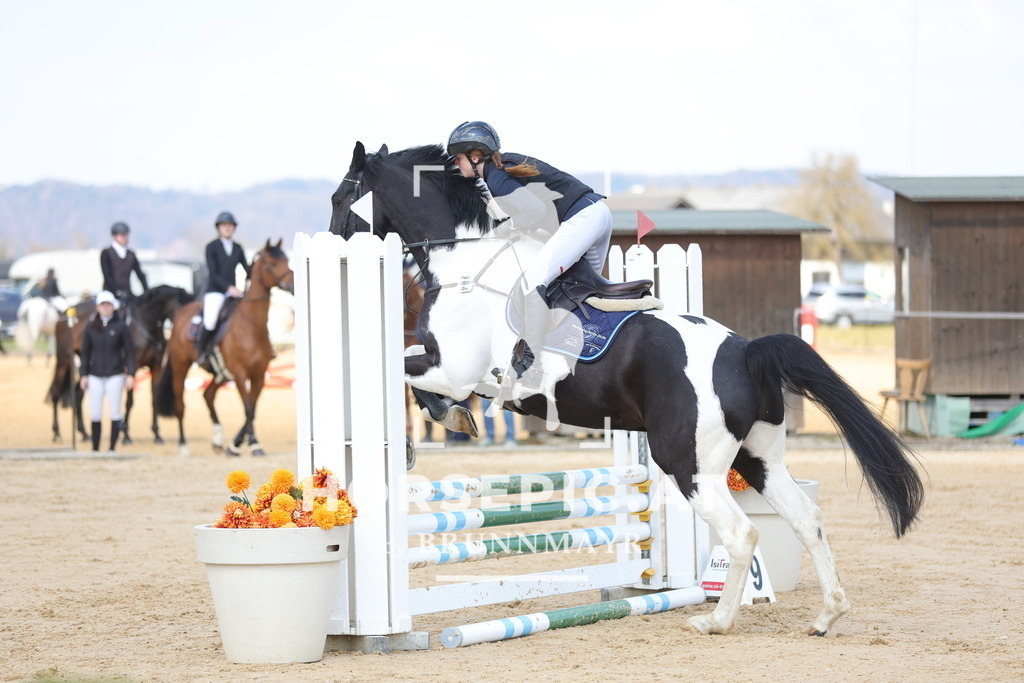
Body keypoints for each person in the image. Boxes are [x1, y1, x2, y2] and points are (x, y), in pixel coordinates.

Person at [446, 121, 612, 383]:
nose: (457, 165)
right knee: (578, 287)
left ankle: (529, 365)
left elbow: (533, 211)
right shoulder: (503, 166)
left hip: (582, 218)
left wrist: (507, 229)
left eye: (458, 159)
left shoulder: (496, 175)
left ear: (474, 155)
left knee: (534, 280)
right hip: (596, 214)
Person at [79, 290, 136, 452]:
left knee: (115, 411)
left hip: (115, 374)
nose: (105, 308)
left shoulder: (121, 326)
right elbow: (85, 352)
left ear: (113, 307)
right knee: (95, 412)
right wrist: (83, 374)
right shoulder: (91, 327)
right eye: (103, 305)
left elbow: (129, 352)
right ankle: (95, 447)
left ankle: (112, 447)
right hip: (95, 374)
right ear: (98, 307)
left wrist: (131, 373)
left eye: (108, 305)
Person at [197, 211, 250, 367]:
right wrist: (229, 288)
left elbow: (247, 269)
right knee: (211, 321)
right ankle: (202, 353)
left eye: (230, 226)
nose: (227, 228)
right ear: (219, 228)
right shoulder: (211, 247)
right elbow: (213, 274)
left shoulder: (238, 248)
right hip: (216, 291)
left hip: (234, 292)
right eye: (224, 226)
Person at [100, 222, 149, 308]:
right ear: (115, 236)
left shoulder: (131, 254)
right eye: (122, 235)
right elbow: (107, 276)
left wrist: (147, 291)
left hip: (127, 293)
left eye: (126, 235)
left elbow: (140, 274)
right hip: (110, 293)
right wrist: (117, 291)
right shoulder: (106, 253)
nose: (125, 238)